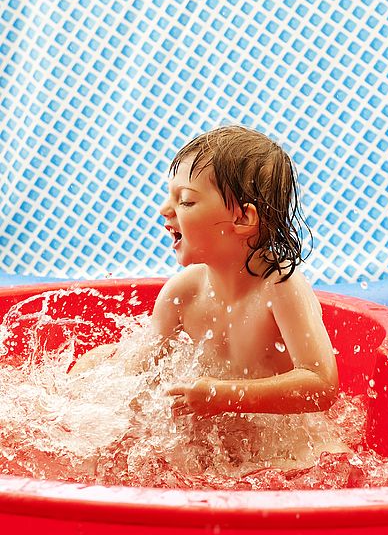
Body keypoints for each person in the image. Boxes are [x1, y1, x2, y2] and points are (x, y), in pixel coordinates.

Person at [70, 125, 349, 467]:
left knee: (331, 462)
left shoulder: (280, 286)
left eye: (185, 200)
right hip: (216, 457)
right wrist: (86, 378)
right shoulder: (183, 292)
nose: (165, 209)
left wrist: (223, 396)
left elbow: (321, 384)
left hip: (290, 457)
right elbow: (137, 370)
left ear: (243, 218)